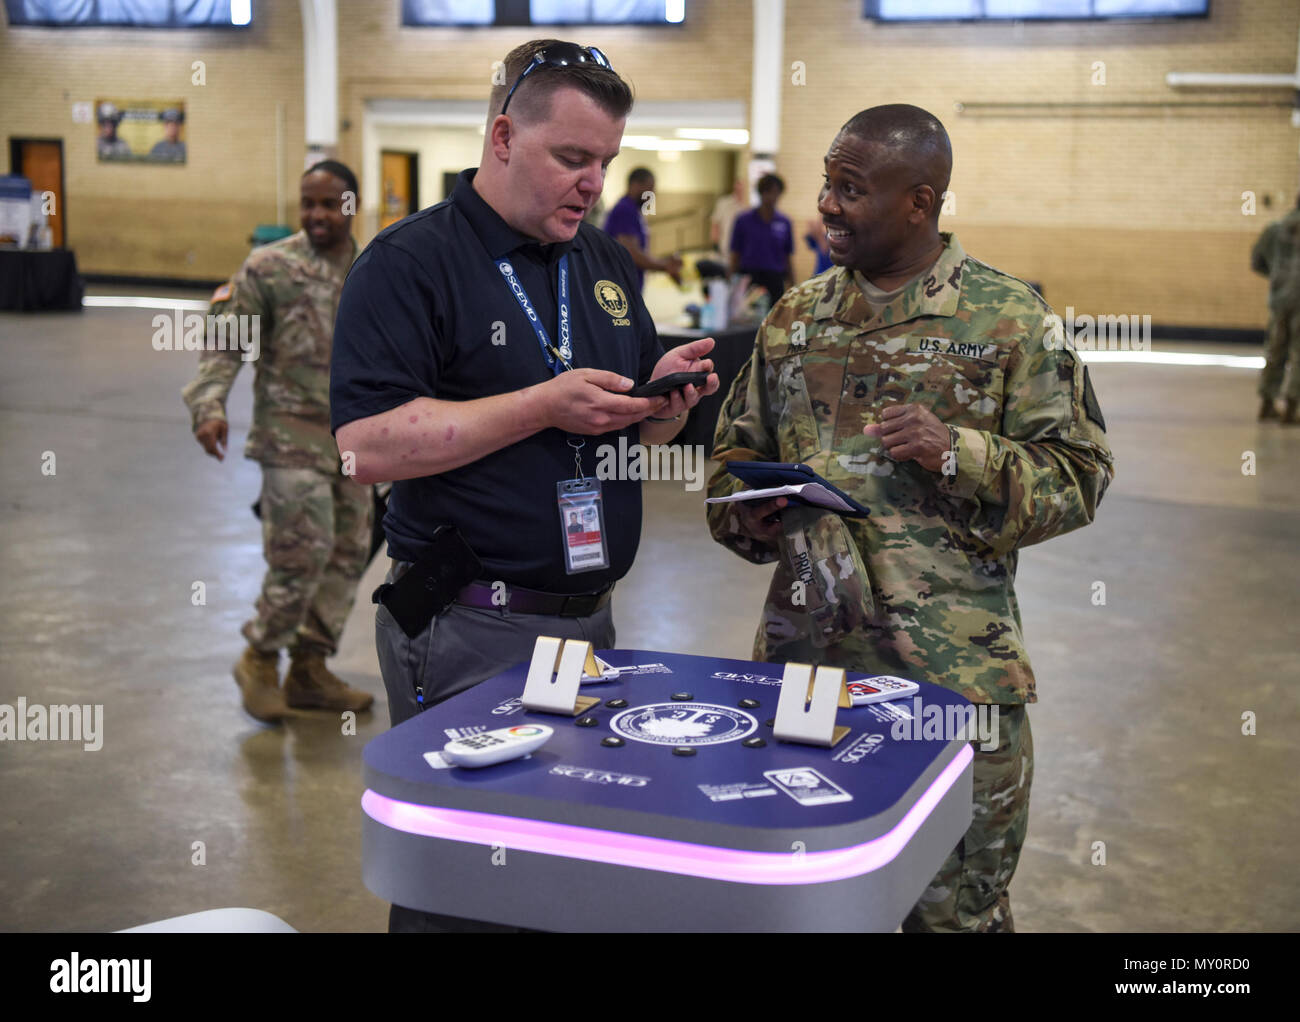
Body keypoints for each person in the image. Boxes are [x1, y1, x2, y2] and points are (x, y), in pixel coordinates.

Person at [329, 39, 718, 932]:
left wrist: (661, 406)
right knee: (463, 889)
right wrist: (542, 404)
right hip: (470, 626)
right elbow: (367, 446)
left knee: (559, 874)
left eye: (607, 164)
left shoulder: (607, 265)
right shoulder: (410, 264)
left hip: (590, 624)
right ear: (504, 136)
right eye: (572, 159)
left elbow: (617, 425)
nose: (594, 184)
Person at [706, 104, 1114, 933]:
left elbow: (1081, 475)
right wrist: (751, 514)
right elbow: (728, 464)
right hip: (807, 681)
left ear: (920, 202)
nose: (825, 204)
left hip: (950, 688)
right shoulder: (794, 320)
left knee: (951, 912)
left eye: (849, 189)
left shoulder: (1008, 320)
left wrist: (959, 452)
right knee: (804, 904)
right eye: (826, 183)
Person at [183, 160, 374, 723]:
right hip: (288, 437)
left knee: (347, 555)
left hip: (356, 445)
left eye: (328, 204)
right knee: (302, 554)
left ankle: (310, 669)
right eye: (306, 203)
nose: (316, 214)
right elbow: (226, 341)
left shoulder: (373, 270)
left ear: (351, 206)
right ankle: (260, 659)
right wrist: (208, 405)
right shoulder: (270, 267)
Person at [1250, 194, 1300, 424]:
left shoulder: (1274, 229)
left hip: (1279, 298)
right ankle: (1292, 408)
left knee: (1275, 349)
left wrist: (1278, 277)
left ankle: (1267, 403)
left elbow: (1257, 261)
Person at [602, 166, 682, 290]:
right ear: (635, 185)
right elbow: (631, 253)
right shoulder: (625, 209)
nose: (652, 194)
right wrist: (665, 266)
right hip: (620, 285)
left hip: (630, 284)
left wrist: (663, 262)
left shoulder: (633, 210)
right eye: (650, 188)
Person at [729, 173, 794, 303]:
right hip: (749, 276)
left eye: (776, 193)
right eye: (768, 192)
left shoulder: (784, 222)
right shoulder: (744, 220)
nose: (771, 197)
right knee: (747, 316)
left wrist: (792, 284)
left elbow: (787, 256)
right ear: (760, 193)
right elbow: (735, 252)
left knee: (774, 317)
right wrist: (731, 280)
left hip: (775, 277)